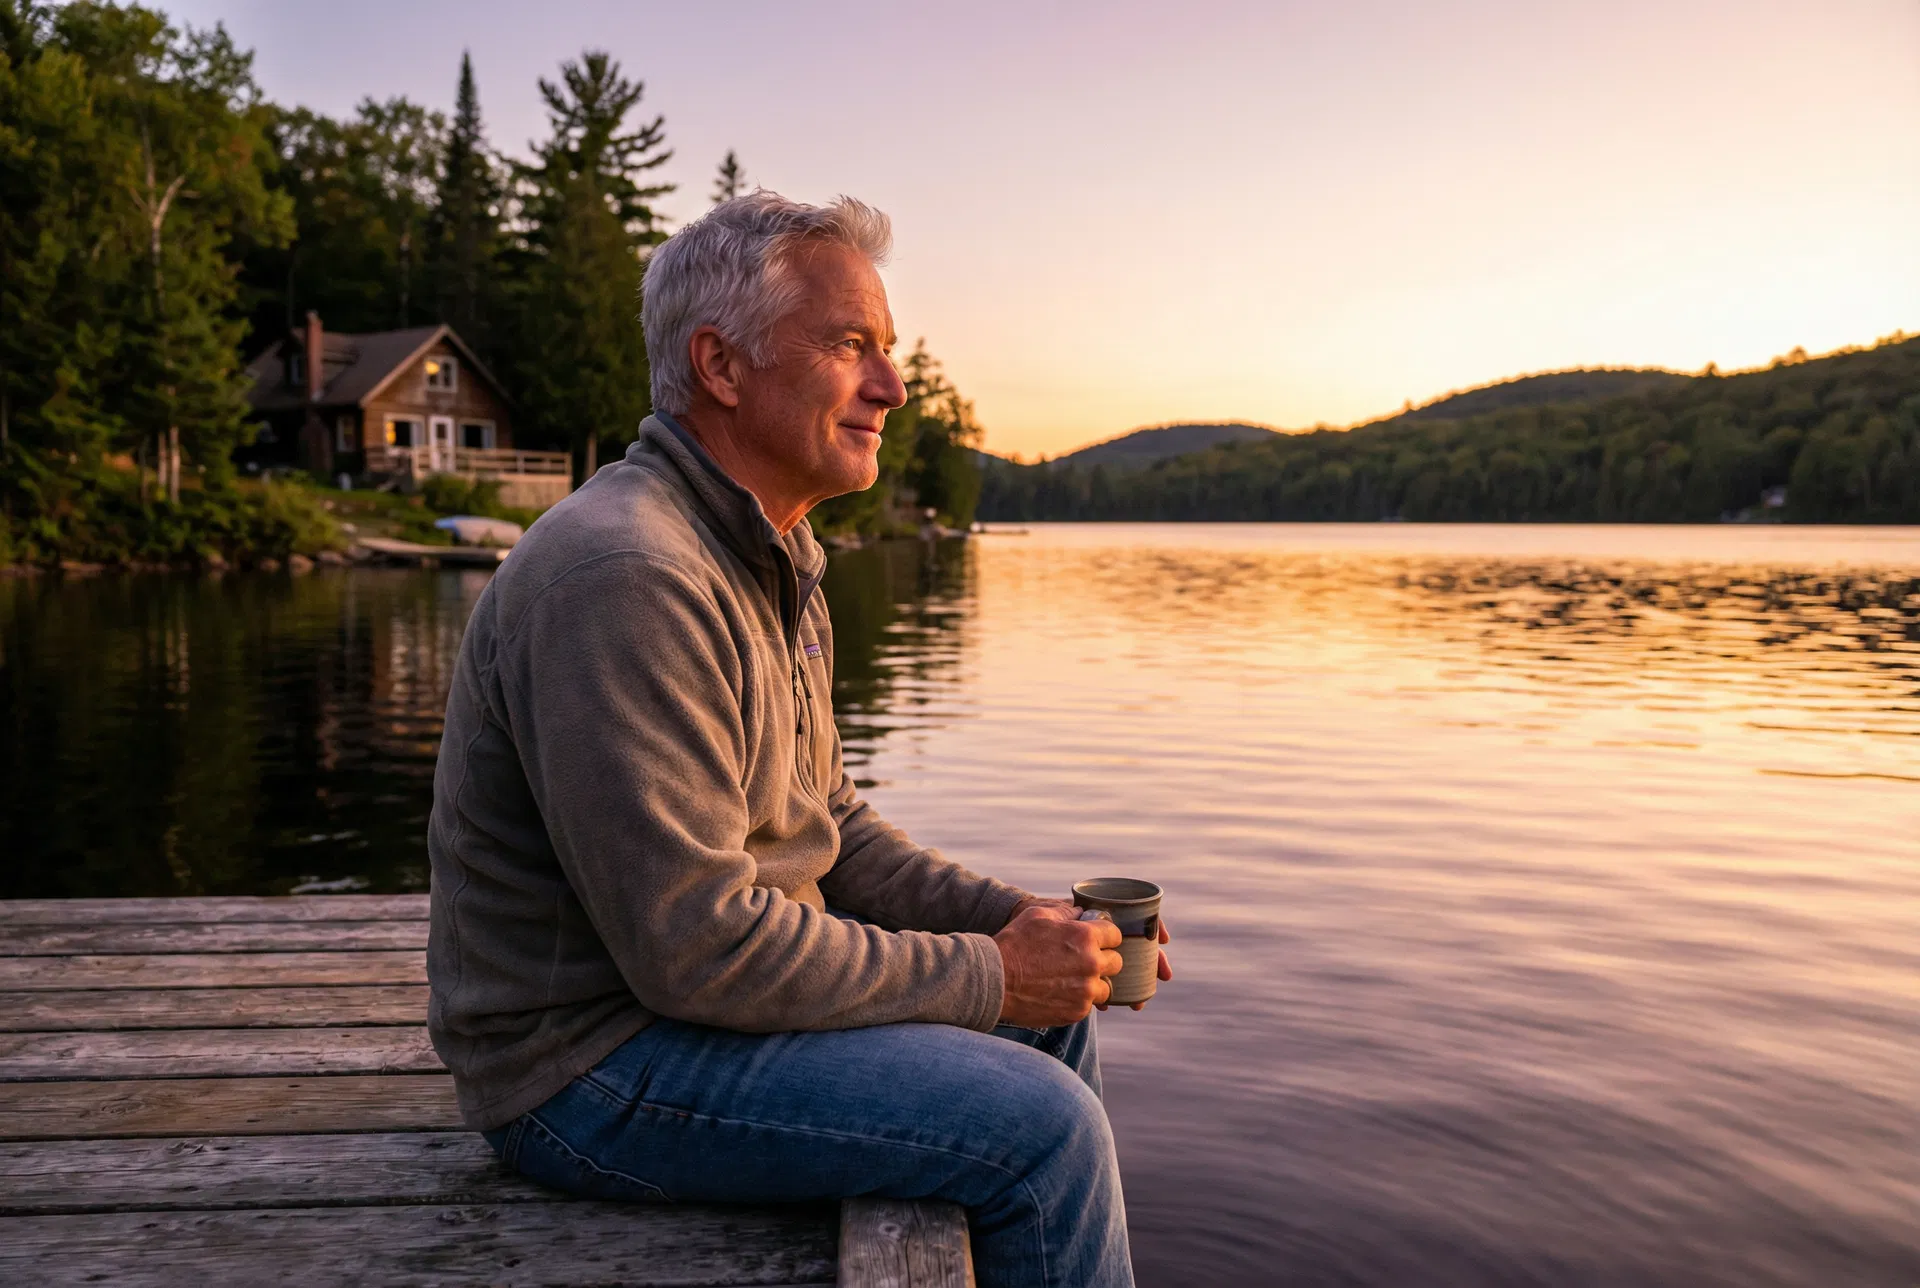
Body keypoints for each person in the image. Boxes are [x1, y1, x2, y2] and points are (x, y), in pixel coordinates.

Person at [425, 191, 1170, 1288]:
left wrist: (1021, 926)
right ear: (721, 366)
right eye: (849, 345)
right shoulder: (628, 576)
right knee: (1042, 1128)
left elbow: (836, 828)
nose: (893, 386)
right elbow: (699, 947)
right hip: (587, 1068)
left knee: (1051, 1023)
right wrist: (989, 973)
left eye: (888, 349)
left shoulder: (771, 552)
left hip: (694, 1015)